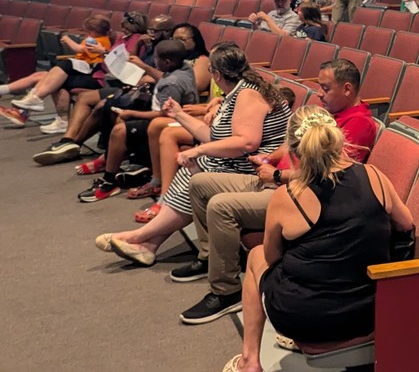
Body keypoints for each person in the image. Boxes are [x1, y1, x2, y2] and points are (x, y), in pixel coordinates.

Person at [174, 58, 377, 324]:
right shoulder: (325, 111)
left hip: (298, 194)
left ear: (347, 89)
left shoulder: (359, 123)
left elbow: (335, 174)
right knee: (200, 183)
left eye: (326, 88)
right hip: (272, 179)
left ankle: (226, 291)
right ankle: (210, 257)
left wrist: (278, 175)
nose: (319, 93)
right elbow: (290, 144)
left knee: (220, 206)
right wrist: (268, 157)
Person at [221, 105, 413, 372]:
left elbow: (273, 258)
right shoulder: (374, 175)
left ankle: (249, 361)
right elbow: (406, 224)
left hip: (307, 321)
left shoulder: (288, 195)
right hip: (370, 313)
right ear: (337, 140)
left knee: (256, 256)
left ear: (294, 151)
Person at [94, 42, 292, 267]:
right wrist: (178, 114)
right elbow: (213, 136)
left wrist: (198, 149)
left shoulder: (247, 94)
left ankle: (139, 237)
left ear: (217, 74)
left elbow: (246, 143)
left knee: (200, 167)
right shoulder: (237, 91)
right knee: (197, 165)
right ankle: (148, 245)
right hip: (240, 161)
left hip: (256, 167)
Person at [77, 40, 199, 202]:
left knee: (120, 130)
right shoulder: (185, 68)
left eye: (156, 58)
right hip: (166, 115)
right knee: (121, 118)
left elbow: (167, 114)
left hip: (169, 122)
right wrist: (144, 67)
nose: (154, 61)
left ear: (167, 62)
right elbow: (164, 77)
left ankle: (108, 182)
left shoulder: (170, 85)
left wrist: (131, 113)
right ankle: (108, 161)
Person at [1, 11, 148, 132]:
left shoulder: (135, 39)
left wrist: (103, 52)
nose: (122, 28)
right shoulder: (123, 37)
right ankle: (32, 105)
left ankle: (37, 109)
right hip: (98, 70)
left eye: (124, 25)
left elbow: (126, 61)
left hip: (106, 77)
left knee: (57, 75)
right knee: (53, 75)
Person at [6, 14, 112, 118]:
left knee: (53, 77)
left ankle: (29, 107)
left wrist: (66, 38)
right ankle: (30, 104)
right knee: (46, 76)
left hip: (89, 71)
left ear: (92, 31)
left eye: (87, 31)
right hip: (82, 69)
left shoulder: (94, 40)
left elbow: (78, 48)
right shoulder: (99, 39)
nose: (85, 34)